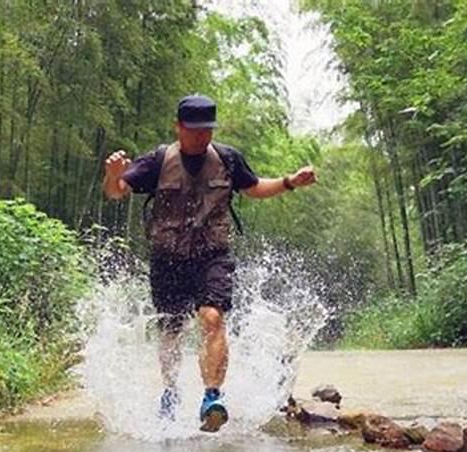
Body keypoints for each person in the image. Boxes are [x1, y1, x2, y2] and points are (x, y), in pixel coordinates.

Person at [102, 95, 316, 432]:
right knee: (171, 332)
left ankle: (212, 397)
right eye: (195, 130)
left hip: (212, 256)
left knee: (213, 319)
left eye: (207, 130)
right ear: (179, 127)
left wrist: (290, 182)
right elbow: (117, 192)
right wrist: (113, 175)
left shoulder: (228, 159)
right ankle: (170, 391)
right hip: (167, 259)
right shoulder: (158, 160)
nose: (202, 137)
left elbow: (255, 188)